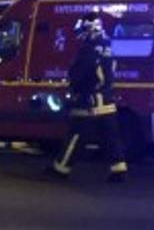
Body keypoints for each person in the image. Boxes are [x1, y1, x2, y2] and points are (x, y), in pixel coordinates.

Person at [49, 17, 128, 183]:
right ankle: (119, 169)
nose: (81, 36)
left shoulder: (89, 49)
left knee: (76, 135)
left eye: (83, 32)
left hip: (89, 100)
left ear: (90, 30)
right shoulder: (107, 47)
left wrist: (74, 88)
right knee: (110, 137)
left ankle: (61, 168)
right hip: (106, 99)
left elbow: (81, 74)